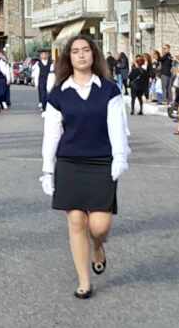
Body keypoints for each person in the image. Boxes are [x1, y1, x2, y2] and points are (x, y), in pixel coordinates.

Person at [40, 35, 130, 299]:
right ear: (68, 58)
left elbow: (118, 128)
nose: (81, 55)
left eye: (86, 50)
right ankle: (84, 281)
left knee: (99, 226)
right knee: (76, 220)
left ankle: (98, 247)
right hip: (70, 163)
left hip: (101, 162)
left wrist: (120, 158)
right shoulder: (58, 93)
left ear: (94, 55)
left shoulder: (109, 90)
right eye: (76, 51)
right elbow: (52, 134)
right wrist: (47, 169)